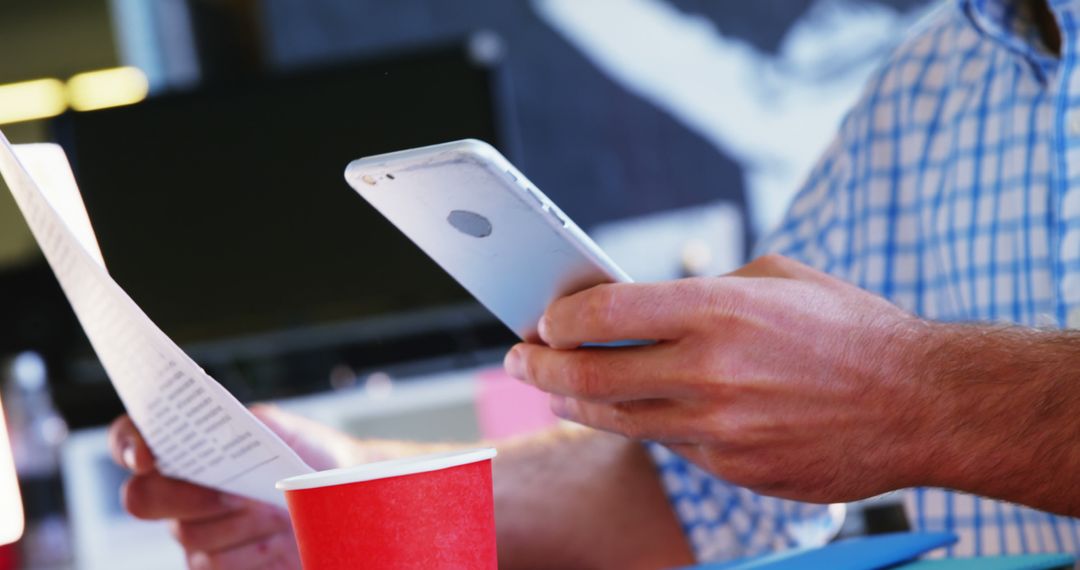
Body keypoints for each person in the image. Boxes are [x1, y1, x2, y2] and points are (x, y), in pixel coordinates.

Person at [110, 0, 1080, 566]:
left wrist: (915, 396)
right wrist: (346, 484)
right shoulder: (931, 81)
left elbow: (887, 399)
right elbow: (701, 498)